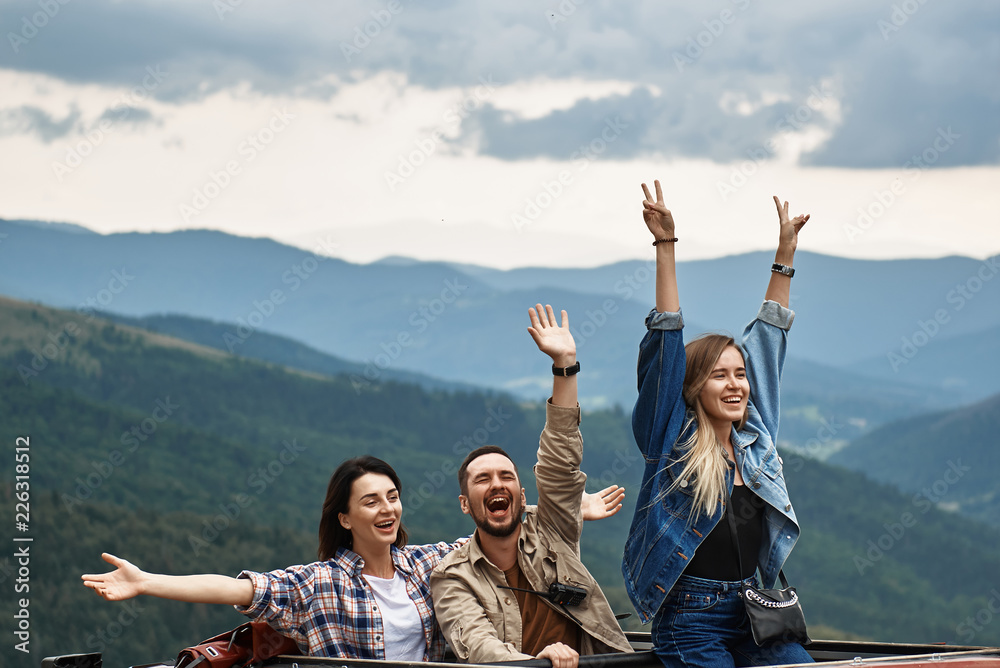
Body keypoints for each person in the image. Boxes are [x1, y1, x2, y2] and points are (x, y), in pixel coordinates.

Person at [82, 441, 625, 660]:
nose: (387, 509)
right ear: (345, 518)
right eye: (371, 502)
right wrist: (147, 581)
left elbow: (492, 525)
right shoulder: (321, 583)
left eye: (393, 497)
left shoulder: (425, 564)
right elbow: (237, 588)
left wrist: (569, 512)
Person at [620, 180, 814, 667]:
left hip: (754, 608)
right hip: (690, 615)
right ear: (692, 389)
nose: (736, 385)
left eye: (739, 375)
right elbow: (665, 342)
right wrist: (666, 245)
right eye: (719, 376)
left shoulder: (754, 435)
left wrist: (784, 253)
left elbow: (768, 341)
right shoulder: (671, 439)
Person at [431, 304, 633, 668]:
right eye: (483, 479)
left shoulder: (552, 529)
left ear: (522, 497)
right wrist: (532, 660)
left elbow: (559, 464)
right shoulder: (452, 576)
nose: (497, 484)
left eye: (507, 476)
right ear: (465, 504)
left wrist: (565, 365)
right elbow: (475, 644)